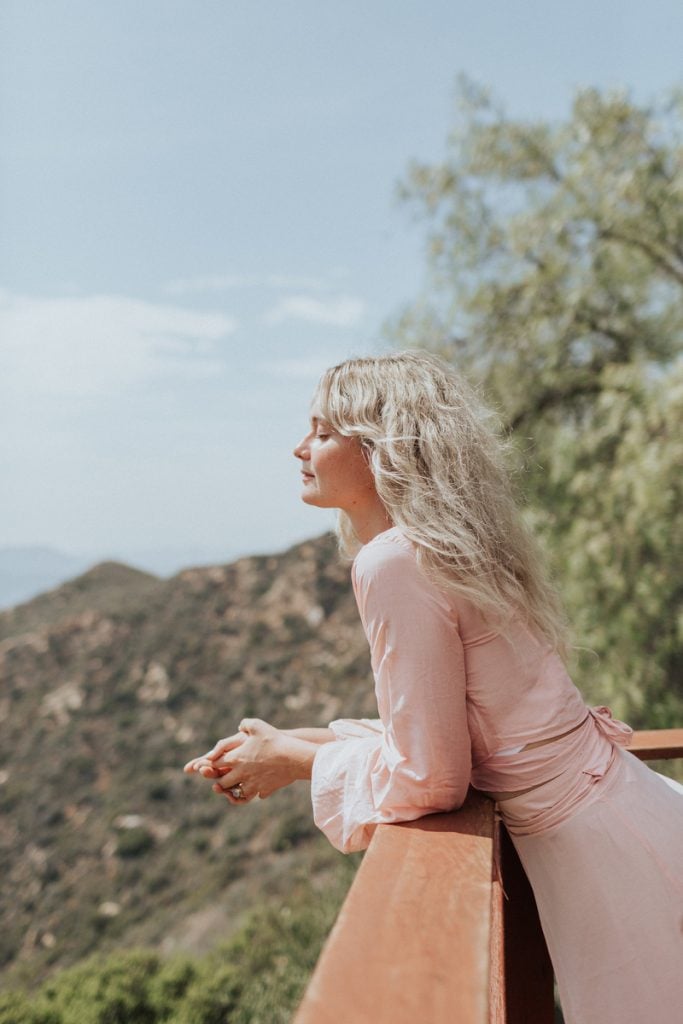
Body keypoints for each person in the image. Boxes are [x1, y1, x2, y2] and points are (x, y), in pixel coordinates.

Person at [184, 351, 683, 1023]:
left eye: (323, 431)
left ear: (380, 449)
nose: (299, 447)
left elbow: (433, 778)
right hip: (623, 821)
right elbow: (469, 726)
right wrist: (293, 744)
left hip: (608, 864)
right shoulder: (445, 545)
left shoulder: (391, 562)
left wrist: (293, 763)